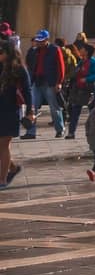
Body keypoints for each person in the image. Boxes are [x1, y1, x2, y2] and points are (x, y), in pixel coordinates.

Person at [0, 46, 35, 188]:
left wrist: (30, 112)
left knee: (3, 144)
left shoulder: (19, 69)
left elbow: (27, 91)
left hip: (10, 111)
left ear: (8, 54)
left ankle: (2, 179)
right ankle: (13, 168)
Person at [23, 30, 66, 139]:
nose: (39, 43)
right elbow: (30, 65)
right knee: (32, 107)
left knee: (54, 107)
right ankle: (31, 132)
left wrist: (59, 82)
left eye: (41, 41)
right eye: (38, 40)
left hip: (50, 82)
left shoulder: (55, 49)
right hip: (36, 81)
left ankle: (60, 129)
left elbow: (61, 67)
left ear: (47, 40)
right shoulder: (34, 51)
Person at [63, 40, 95, 139]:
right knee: (75, 112)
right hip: (80, 90)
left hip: (92, 90)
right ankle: (71, 133)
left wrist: (87, 79)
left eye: (82, 49)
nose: (80, 50)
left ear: (87, 51)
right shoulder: (81, 62)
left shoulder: (93, 62)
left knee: (94, 113)